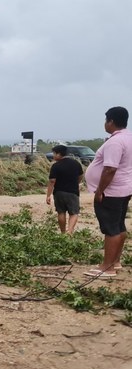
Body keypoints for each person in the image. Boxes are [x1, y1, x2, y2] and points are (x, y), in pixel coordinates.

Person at [84, 106, 132, 278]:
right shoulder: (129, 138)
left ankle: (107, 267)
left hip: (111, 191)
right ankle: (116, 262)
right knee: (119, 225)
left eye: (106, 120)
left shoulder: (115, 142)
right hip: (124, 189)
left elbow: (110, 169)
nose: (105, 123)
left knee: (110, 228)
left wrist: (99, 191)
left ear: (111, 121)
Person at [46, 145, 84, 234]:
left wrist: (48, 195)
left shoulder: (56, 166)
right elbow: (81, 175)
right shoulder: (76, 163)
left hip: (59, 192)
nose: (53, 156)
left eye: (54, 154)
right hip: (72, 192)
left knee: (61, 212)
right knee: (74, 213)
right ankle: (70, 231)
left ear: (59, 154)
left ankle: (63, 232)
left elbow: (52, 181)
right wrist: (76, 183)